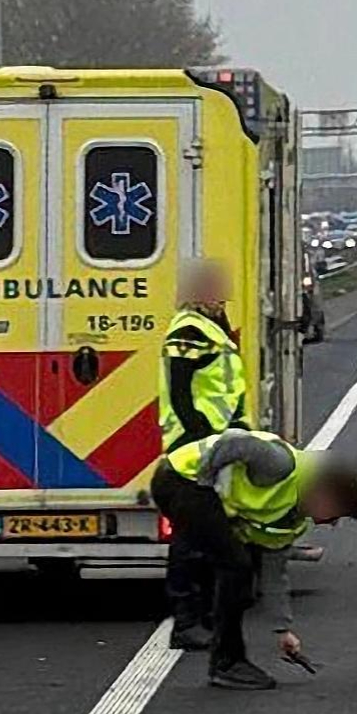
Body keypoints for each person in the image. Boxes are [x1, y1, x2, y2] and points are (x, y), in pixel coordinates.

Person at [164, 427, 357, 687]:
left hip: (199, 491)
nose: (330, 524)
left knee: (238, 569)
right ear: (325, 492)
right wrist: (206, 486)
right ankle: (223, 661)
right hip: (181, 476)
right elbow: (232, 443)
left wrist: (283, 631)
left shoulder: (291, 519)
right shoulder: (279, 465)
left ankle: (216, 647)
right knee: (235, 567)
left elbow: (274, 576)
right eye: (336, 513)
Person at [153, 257, 252, 659]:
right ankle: (187, 620)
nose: (223, 292)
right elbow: (180, 391)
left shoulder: (210, 325)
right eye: (215, 287)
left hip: (216, 443)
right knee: (189, 536)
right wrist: (201, 436)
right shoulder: (190, 329)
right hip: (194, 447)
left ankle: (205, 616)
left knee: (207, 532)